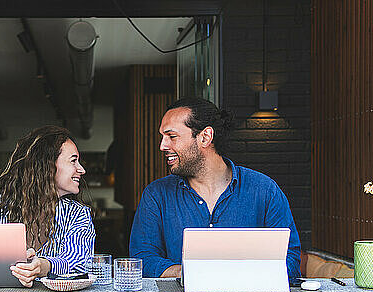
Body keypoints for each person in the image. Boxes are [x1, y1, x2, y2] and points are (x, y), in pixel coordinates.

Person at [129, 97, 301, 279]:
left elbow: (290, 260)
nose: (163, 146)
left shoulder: (265, 191)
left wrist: (228, 276)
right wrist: (190, 273)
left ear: (205, 137)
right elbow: (142, 260)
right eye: (163, 137)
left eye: (172, 137)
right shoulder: (157, 194)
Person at [0, 125, 95, 287]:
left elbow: (80, 263)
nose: (82, 169)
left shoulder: (77, 214)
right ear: (47, 165)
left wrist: (43, 266)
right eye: (73, 161)